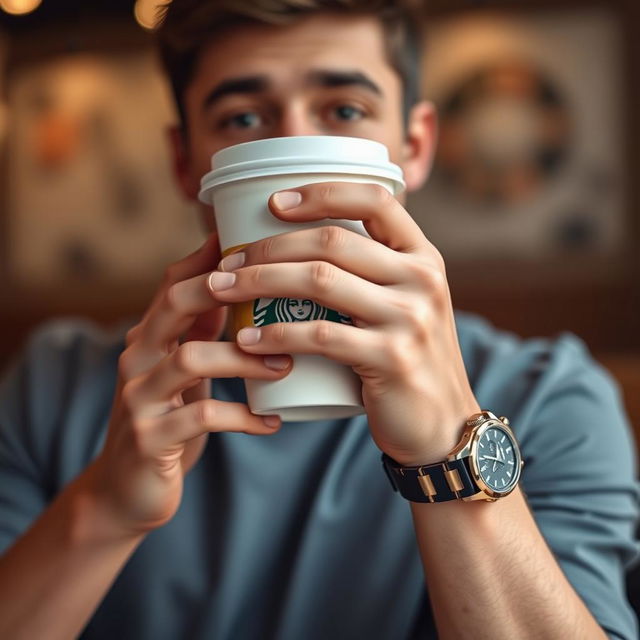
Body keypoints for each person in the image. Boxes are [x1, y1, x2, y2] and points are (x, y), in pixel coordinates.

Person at [0, 1, 638, 638]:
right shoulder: (53, 388)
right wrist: (106, 509)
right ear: (185, 162)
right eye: (243, 117)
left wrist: (448, 447)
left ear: (413, 146)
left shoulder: (551, 397)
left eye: (345, 111)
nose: (293, 148)